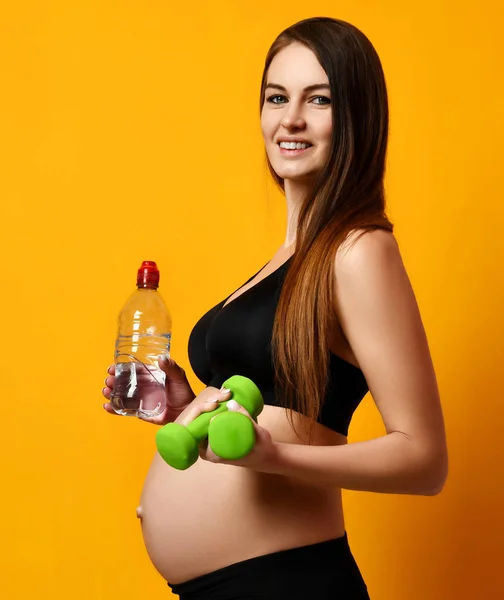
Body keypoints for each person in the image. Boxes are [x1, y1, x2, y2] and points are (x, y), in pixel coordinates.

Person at [102, 16, 448, 600]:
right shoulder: (289, 257)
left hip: (289, 582)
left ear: (357, 117)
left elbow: (424, 460)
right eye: (276, 97)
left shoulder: (360, 251)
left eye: (319, 100)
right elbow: (276, 388)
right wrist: (188, 407)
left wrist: (274, 457)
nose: (290, 119)